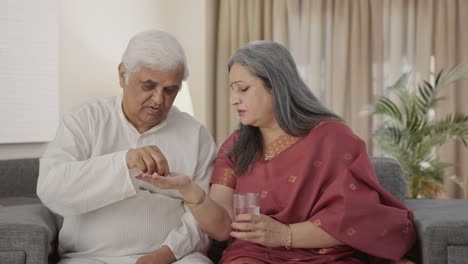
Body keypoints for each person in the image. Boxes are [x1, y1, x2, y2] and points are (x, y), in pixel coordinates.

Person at [137, 40, 416, 264]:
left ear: (276, 86)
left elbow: (354, 217)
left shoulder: (333, 137)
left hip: (323, 252)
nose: (234, 99)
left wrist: (285, 233)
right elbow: (223, 227)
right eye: (232, 90)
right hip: (254, 254)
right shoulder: (235, 146)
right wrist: (190, 191)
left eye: (243, 89)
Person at [37, 30, 217, 264]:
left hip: (174, 258)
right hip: (91, 258)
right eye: (149, 86)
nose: (158, 100)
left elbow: (202, 218)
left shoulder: (196, 135)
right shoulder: (85, 120)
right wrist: (124, 162)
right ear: (123, 75)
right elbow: (51, 188)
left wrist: (166, 253)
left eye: (170, 90)